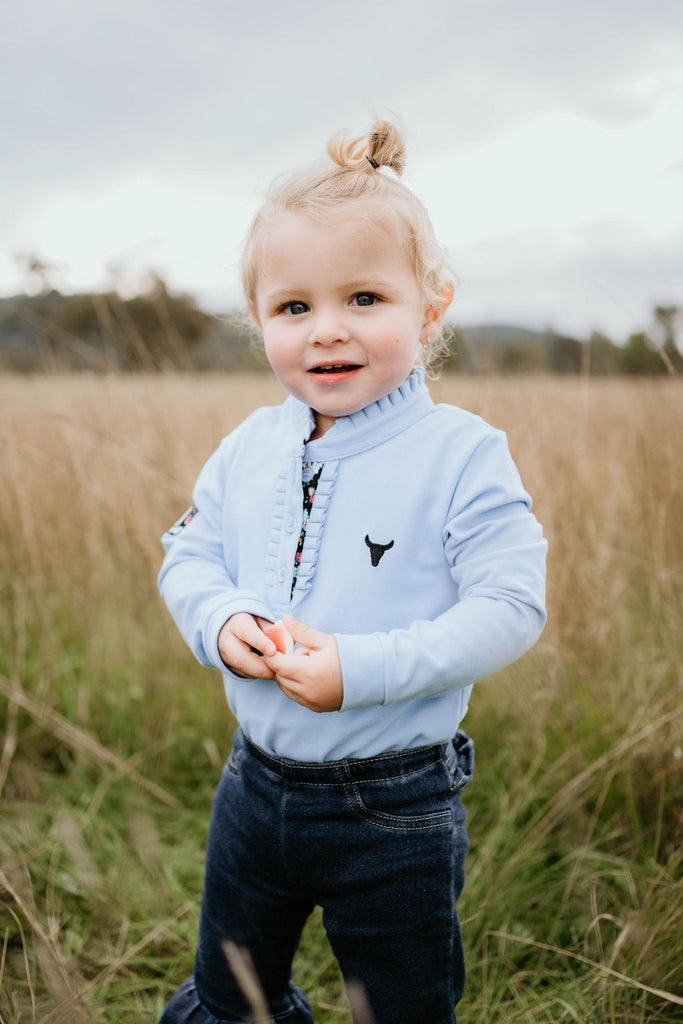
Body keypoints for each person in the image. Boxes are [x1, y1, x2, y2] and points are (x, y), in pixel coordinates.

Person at [157, 120, 547, 1024]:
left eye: (364, 297)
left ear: (431, 307)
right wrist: (219, 620)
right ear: (260, 325)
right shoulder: (251, 445)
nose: (326, 330)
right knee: (232, 995)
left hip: (394, 805)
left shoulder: (458, 453)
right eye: (293, 308)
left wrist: (360, 670)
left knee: (399, 1006)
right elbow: (189, 551)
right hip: (251, 787)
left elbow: (509, 604)